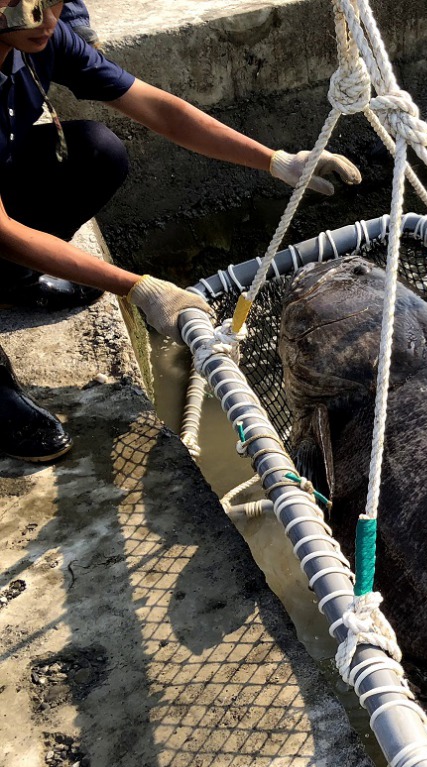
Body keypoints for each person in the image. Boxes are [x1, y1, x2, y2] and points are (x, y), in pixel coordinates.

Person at [0, 0, 361, 462]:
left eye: (54, 2)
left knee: (96, 152)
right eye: (28, 6)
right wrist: (139, 288)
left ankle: (9, 282)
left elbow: (157, 108)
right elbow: (2, 232)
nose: (48, 19)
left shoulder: (40, 40)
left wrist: (276, 160)